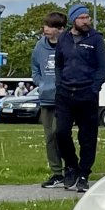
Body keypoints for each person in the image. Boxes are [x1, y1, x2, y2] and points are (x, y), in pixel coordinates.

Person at [54, 5, 105, 193]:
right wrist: (60, 83)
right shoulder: (63, 38)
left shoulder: (96, 39)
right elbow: (59, 64)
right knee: (60, 132)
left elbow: (103, 67)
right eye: (82, 18)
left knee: (87, 136)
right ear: (73, 20)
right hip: (65, 94)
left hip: (87, 94)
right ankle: (71, 166)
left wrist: (95, 88)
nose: (86, 21)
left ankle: (84, 173)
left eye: (88, 17)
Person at [31, 11, 67, 187]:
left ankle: (71, 169)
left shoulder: (68, 44)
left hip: (64, 98)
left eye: (50, 26)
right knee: (50, 137)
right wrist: (41, 83)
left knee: (60, 133)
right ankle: (56, 173)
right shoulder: (39, 46)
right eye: (45, 25)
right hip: (46, 98)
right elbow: (35, 68)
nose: (45, 29)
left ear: (60, 29)